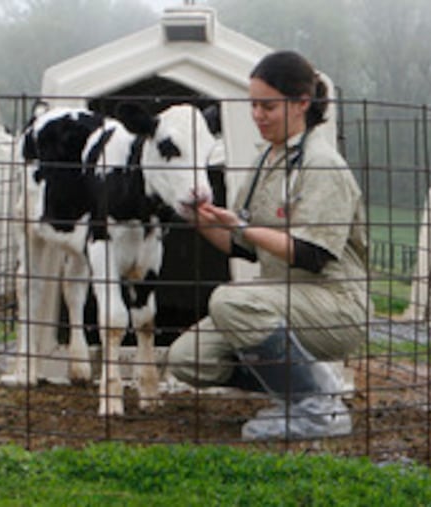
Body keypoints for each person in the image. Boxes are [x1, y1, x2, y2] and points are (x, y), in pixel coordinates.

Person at [167, 50, 370, 440]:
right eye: (253, 105)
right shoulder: (267, 160)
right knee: (187, 360)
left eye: (268, 106)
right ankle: (309, 384)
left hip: (333, 304)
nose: (257, 115)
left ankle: (315, 409)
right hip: (281, 300)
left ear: (301, 104)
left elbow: (313, 255)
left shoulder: (321, 164)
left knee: (230, 301)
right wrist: (196, 218)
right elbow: (242, 246)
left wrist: (242, 225)